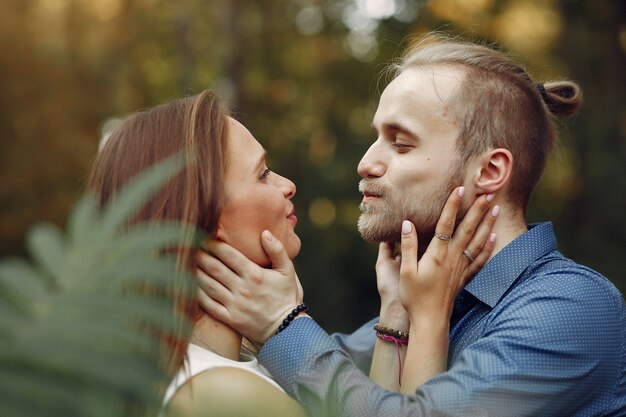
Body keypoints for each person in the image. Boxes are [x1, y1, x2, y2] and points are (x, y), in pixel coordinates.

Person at [196, 33, 626, 416]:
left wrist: (284, 324)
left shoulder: (571, 309)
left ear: (490, 171)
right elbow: (302, 385)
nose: (366, 163)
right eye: (376, 137)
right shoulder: (427, 296)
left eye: (401, 144)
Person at [88, 90, 307, 417]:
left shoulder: (191, 372)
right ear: (205, 217)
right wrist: (295, 323)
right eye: (263, 173)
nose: (287, 185)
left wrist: (392, 319)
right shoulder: (229, 396)